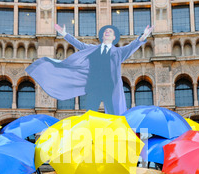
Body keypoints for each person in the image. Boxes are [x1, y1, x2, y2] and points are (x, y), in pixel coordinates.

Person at [26, 24, 154, 115]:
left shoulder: (119, 52)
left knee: (115, 116)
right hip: (94, 86)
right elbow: (79, 44)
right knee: (90, 114)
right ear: (102, 36)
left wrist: (142, 37)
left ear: (114, 37)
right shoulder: (93, 49)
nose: (107, 32)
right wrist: (65, 34)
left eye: (110, 31)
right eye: (105, 31)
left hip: (111, 87)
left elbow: (132, 46)